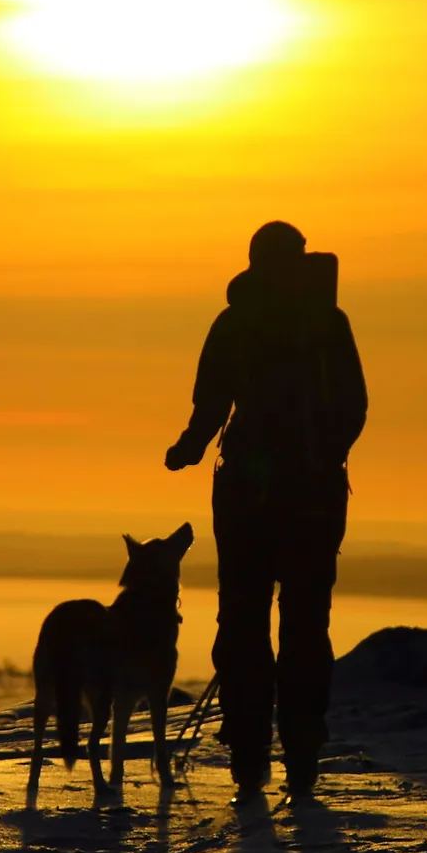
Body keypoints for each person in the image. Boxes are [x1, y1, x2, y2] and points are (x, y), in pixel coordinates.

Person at [165, 221, 367, 799]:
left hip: (247, 499)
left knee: (244, 622)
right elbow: (354, 406)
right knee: (303, 624)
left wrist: (189, 449)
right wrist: (323, 460)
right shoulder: (326, 322)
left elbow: (211, 404)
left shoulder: (238, 322)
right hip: (312, 499)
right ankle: (299, 758)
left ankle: (252, 756)